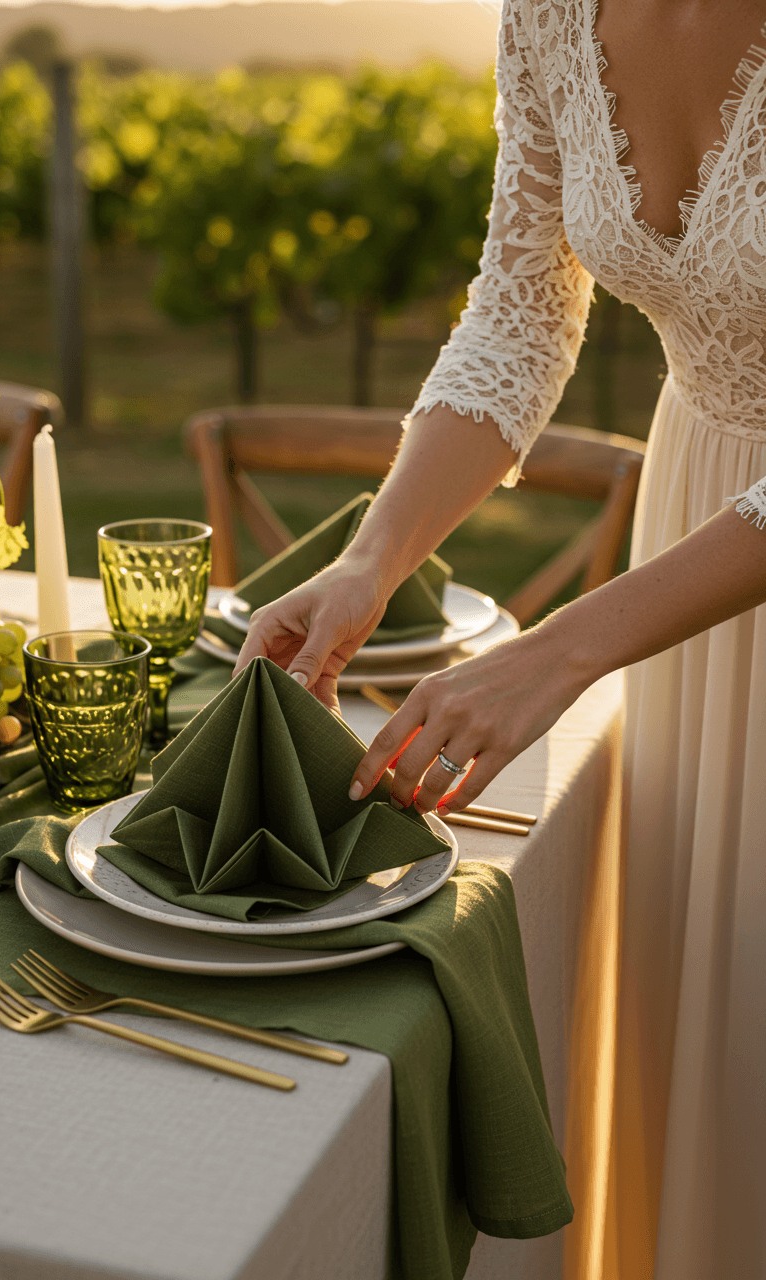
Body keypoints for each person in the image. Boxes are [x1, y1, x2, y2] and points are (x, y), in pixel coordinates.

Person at [233, 1, 766, 1276]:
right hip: (693, 545)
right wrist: (371, 559)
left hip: (663, 595)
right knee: (709, 1021)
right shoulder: (546, 10)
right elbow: (521, 306)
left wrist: (561, 647)